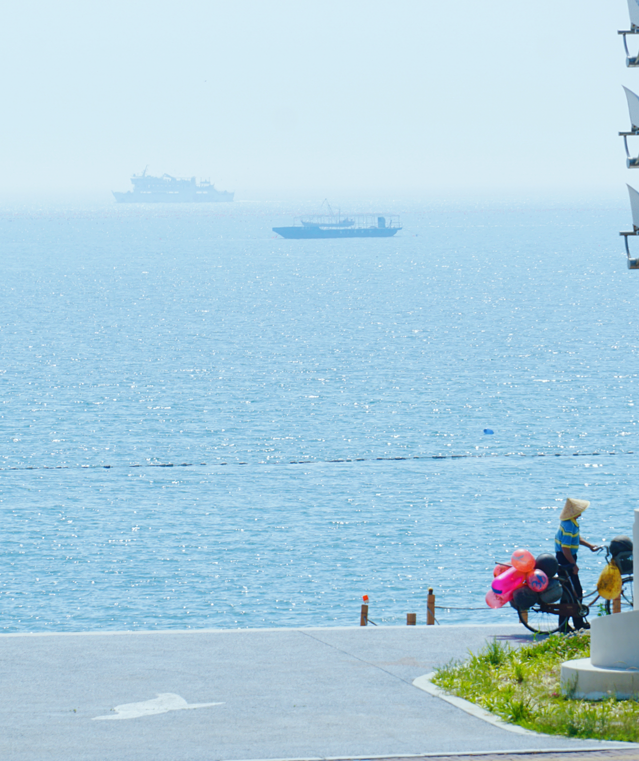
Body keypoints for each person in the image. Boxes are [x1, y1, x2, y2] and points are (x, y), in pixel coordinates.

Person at [555, 497, 600, 631]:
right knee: (573, 592)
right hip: (565, 559)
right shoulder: (568, 525)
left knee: (571, 592)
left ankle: (576, 623)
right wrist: (573, 565)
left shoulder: (571, 523)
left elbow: (576, 538)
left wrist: (590, 546)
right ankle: (568, 625)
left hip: (567, 557)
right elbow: (565, 548)